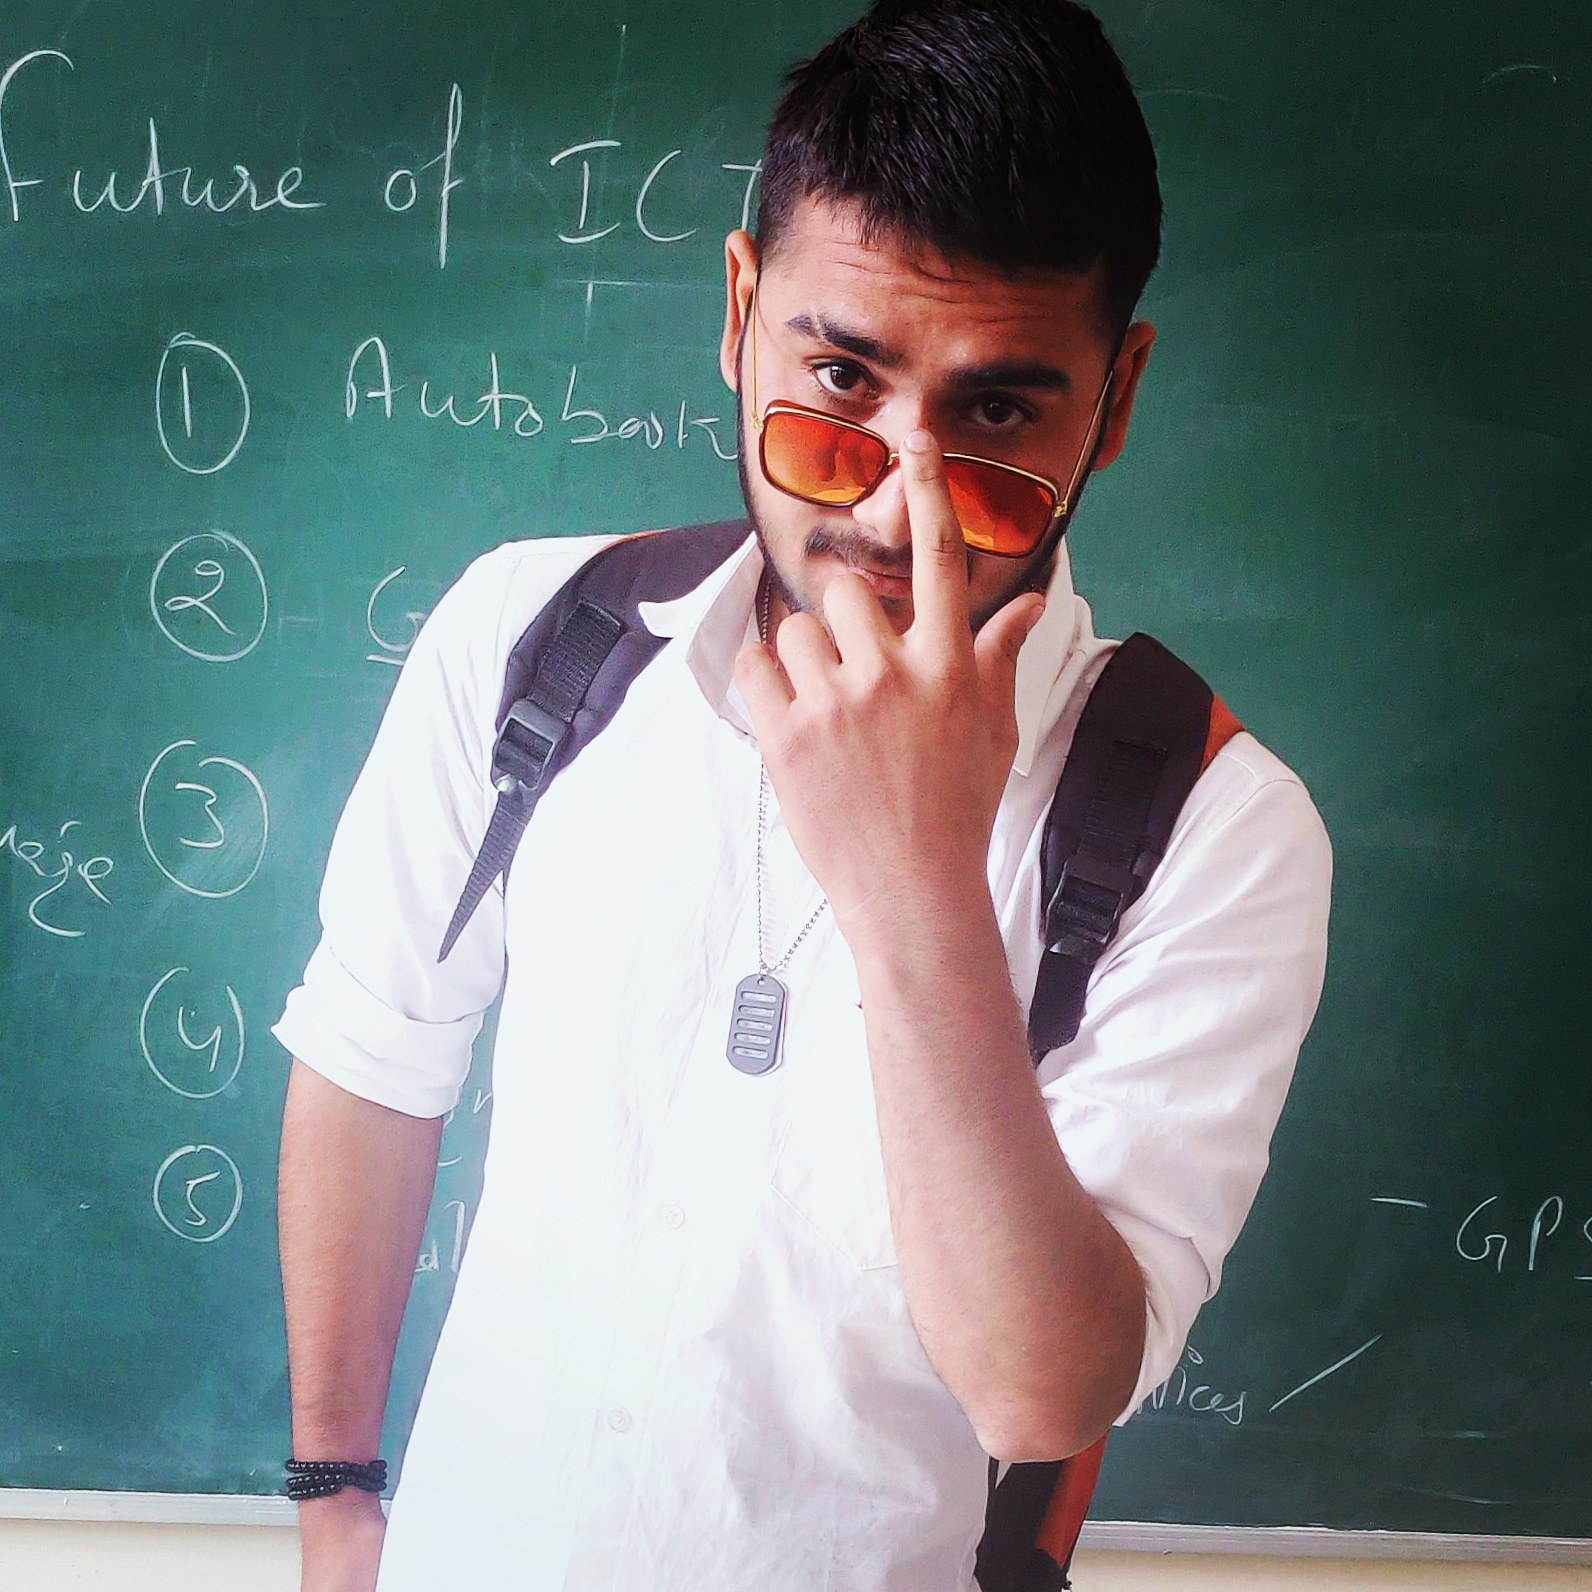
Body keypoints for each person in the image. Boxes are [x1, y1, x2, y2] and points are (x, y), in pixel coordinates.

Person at [273, 2, 1333, 1588]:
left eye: (997, 414)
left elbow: (1042, 1390)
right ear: (739, 312)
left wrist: (914, 883)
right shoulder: (530, 638)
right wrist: (336, 1496)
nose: (903, 511)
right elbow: (372, 1057)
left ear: (1114, 402)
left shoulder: (1214, 824)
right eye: (839, 378)